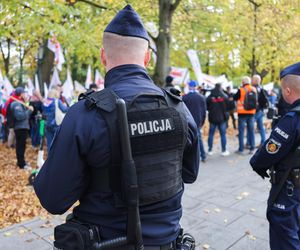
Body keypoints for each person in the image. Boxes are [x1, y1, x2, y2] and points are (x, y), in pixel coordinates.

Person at [34, 4, 199, 249]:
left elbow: (53, 199)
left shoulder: (84, 115)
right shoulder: (178, 109)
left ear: (103, 56)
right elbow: (189, 174)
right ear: (147, 57)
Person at [250, 62, 300, 250]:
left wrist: (257, 164)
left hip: (291, 191)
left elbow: (268, 153)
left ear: (287, 91)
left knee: (285, 237)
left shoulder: (292, 119)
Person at [183, 80, 207, 162]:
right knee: (198, 139)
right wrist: (202, 122)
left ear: (189, 86)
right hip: (198, 122)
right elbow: (204, 112)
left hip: (187, 122)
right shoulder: (201, 97)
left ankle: (190, 158)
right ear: (196, 86)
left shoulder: (184, 98)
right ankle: (203, 155)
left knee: (187, 140)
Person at [10, 87, 33, 169]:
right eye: (24, 93)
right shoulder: (16, 104)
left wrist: (27, 104)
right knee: (20, 146)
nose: (25, 94)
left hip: (23, 127)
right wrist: (29, 111)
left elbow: (25, 115)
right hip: (20, 128)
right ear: (20, 94)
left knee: (22, 146)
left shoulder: (21, 102)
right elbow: (20, 116)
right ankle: (21, 164)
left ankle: (21, 161)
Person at [234, 76, 257, 154]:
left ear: (243, 82)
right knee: (251, 131)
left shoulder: (241, 90)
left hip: (242, 113)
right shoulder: (254, 89)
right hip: (251, 113)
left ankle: (241, 149)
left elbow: (234, 98)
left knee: (241, 131)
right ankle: (252, 148)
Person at [206, 83, 230, 156]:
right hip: (222, 118)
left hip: (212, 118)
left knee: (211, 134)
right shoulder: (224, 96)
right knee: (223, 134)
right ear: (221, 87)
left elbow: (207, 106)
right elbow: (228, 106)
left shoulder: (210, 96)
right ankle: (224, 150)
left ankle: (210, 150)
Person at [250, 74, 269, 148]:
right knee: (261, 127)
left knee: (251, 127)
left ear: (255, 80)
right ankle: (263, 142)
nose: (252, 80)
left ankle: (250, 143)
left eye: (253, 79)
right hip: (260, 110)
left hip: (254, 111)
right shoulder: (261, 88)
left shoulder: (253, 89)